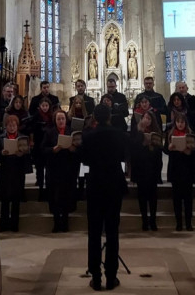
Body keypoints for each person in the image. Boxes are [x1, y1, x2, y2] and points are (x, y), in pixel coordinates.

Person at [81, 104, 129, 291]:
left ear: (94, 117)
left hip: (95, 185)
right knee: (112, 231)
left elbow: (85, 160)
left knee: (94, 233)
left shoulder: (88, 136)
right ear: (109, 117)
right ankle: (111, 276)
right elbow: (124, 156)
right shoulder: (119, 135)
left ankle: (96, 277)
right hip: (114, 184)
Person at [42, 109, 81, 233]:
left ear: (66, 120)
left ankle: (65, 222)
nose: (61, 121)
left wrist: (73, 149)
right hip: (54, 169)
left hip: (68, 170)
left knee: (66, 196)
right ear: (55, 120)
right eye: (58, 119)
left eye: (63, 118)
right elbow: (42, 149)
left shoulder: (71, 132)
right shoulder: (49, 132)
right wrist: (53, 150)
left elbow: (80, 150)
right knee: (55, 197)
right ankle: (56, 223)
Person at [0, 114, 32, 232]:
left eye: (14, 125)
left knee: (16, 200)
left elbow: (28, 155)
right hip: (5, 171)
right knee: (5, 200)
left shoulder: (23, 138)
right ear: (6, 126)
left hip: (18, 171)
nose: (11, 128)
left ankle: (14, 225)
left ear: (17, 126)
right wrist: (1, 153)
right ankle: (4, 224)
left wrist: (22, 154)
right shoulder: (0, 138)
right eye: (9, 125)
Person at [130, 110, 162, 230]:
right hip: (140, 166)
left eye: (149, 118)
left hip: (152, 166)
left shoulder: (156, 131)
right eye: (145, 118)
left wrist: (153, 147)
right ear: (141, 119)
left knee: (153, 196)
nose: (147, 120)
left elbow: (159, 149)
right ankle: (144, 220)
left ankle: (153, 220)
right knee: (142, 195)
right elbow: (132, 147)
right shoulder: (136, 130)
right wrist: (142, 139)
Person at [165, 112, 195, 231]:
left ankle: (188, 223)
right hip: (175, 169)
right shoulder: (171, 133)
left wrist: (189, 151)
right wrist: (169, 148)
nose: (180, 124)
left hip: (187, 169)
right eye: (178, 122)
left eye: (182, 122)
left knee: (188, 198)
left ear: (185, 123)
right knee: (176, 198)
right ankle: (178, 223)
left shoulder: (190, 134)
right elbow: (165, 150)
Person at [30, 97, 54, 200]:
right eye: (43, 106)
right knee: (39, 166)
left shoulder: (52, 115)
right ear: (39, 106)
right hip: (38, 142)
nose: (45, 108)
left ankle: (48, 185)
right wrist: (31, 140)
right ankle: (39, 183)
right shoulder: (36, 115)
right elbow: (31, 129)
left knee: (48, 166)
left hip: (48, 143)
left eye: (46, 106)